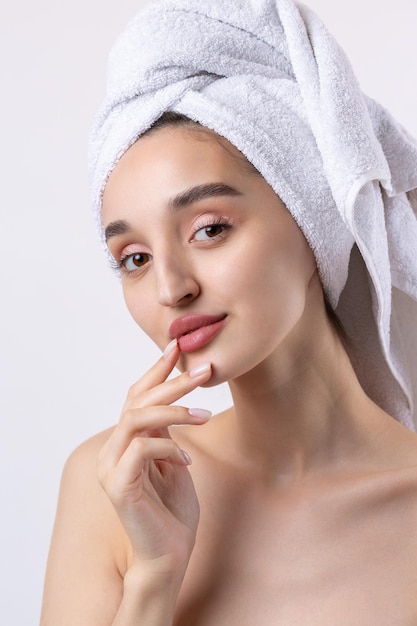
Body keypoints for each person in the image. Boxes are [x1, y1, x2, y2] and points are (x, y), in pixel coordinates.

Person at [40, 0, 417, 624]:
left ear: (310, 220)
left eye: (209, 228)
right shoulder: (114, 489)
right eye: (132, 258)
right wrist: (153, 578)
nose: (170, 287)